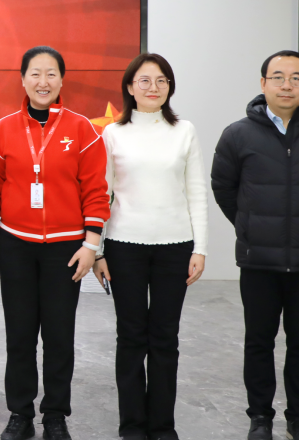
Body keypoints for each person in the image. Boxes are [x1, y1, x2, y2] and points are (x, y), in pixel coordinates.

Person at [210, 50, 299, 440]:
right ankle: (260, 417)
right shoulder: (238, 134)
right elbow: (224, 187)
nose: (286, 85)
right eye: (277, 77)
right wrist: (249, 224)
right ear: (263, 84)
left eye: (295, 78)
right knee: (258, 341)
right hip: (258, 259)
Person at [0, 46, 110, 440]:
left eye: (51, 73)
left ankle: (55, 414)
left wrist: (91, 245)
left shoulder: (82, 129)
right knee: (20, 335)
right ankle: (20, 413)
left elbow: (96, 190)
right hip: (16, 246)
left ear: (61, 80)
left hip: (66, 250)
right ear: (23, 79)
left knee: (59, 336)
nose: (43, 82)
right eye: (35, 74)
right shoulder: (4, 129)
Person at [92, 53, 207, 440]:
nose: (153, 87)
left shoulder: (184, 130)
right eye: (144, 80)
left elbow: (196, 192)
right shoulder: (113, 133)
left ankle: (162, 426)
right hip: (123, 246)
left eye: (161, 81)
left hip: (175, 246)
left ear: (170, 87)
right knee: (130, 337)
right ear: (129, 86)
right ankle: (132, 426)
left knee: (165, 338)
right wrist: (99, 250)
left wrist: (200, 249)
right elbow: (102, 194)